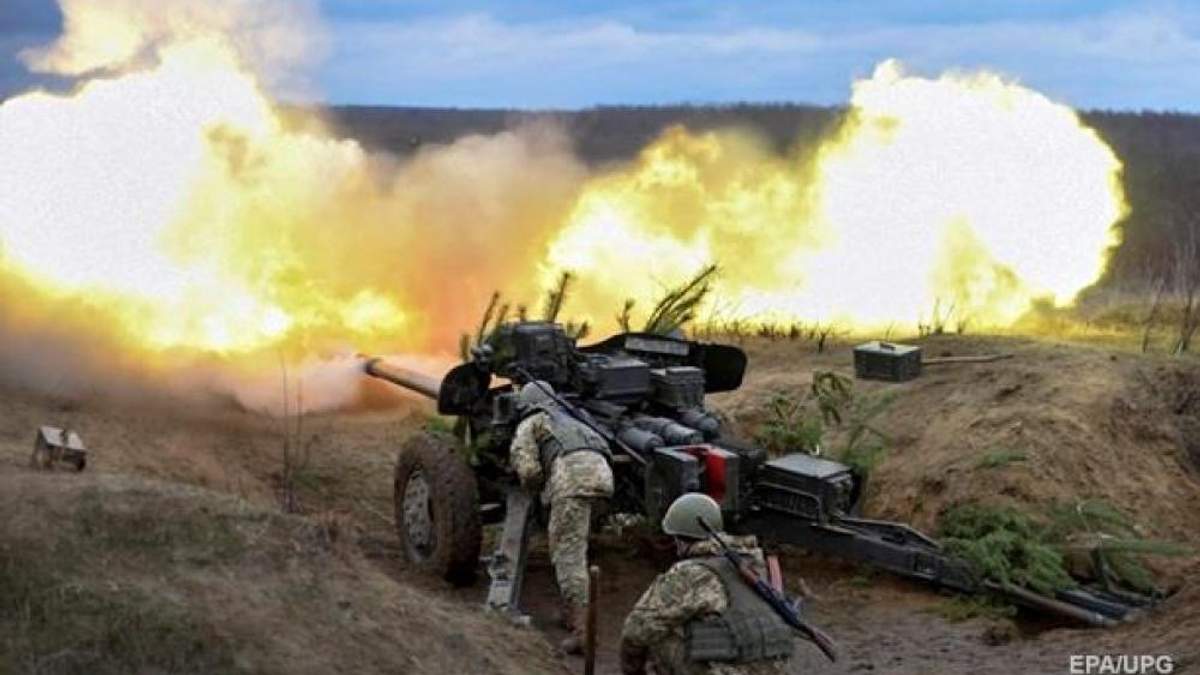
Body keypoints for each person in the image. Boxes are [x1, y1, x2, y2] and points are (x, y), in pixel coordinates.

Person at [619, 493, 795, 675]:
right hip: (776, 668)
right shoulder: (754, 561)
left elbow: (636, 629)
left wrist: (632, 669)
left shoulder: (690, 573)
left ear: (678, 539)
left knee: (658, 634)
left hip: (730, 670)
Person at [509, 380, 614, 654]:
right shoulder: (574, 418)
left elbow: (529, 471)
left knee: (569, 555)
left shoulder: (531, 423)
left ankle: (583, 633)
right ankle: (571, 612)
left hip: (572, 482)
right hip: (604, 478)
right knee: (577, 546)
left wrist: (537, 490)